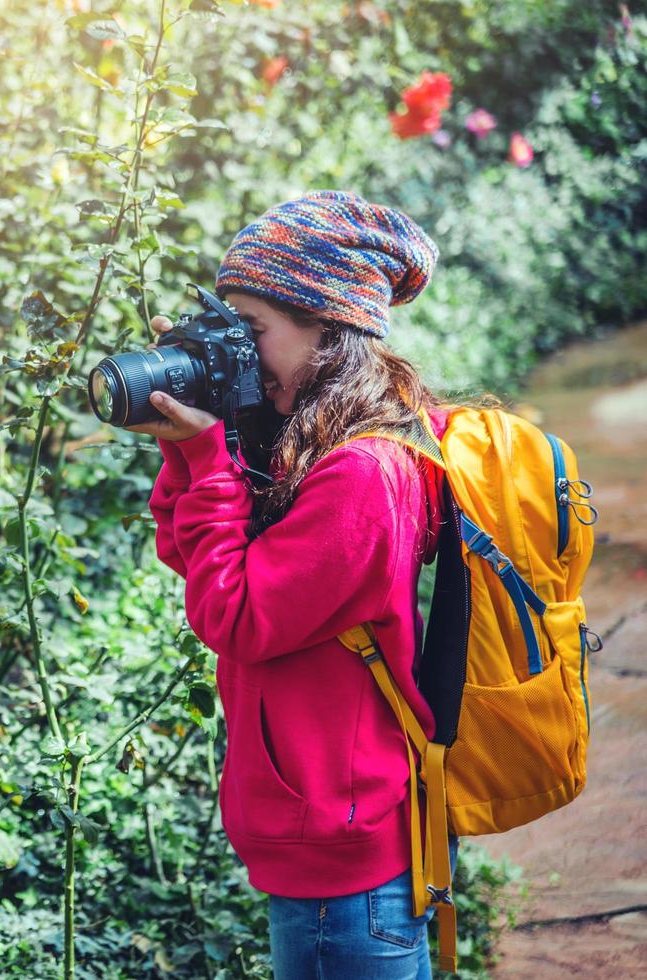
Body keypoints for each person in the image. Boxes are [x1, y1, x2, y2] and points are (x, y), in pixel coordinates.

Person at [132, 190, 462, 979]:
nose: (237, 355)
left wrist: (208, 462)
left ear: (329, 328)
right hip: (335, 843)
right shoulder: (317, 445)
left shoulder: (363, 473)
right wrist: (199, 445)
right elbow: (195, 559)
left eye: (250, 335)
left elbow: (237, 616)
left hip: (344, 874)